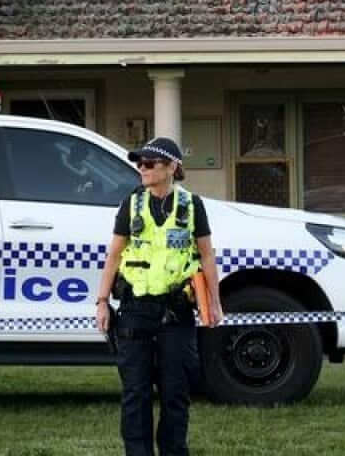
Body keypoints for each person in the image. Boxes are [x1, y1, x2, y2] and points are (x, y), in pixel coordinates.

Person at [95, 137, 223, 456]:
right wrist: (102, 302)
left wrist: (215, 302)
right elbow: (114, 255)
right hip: (135, 309)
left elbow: (207, 256)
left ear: (172, 167)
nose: (142, 168)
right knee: (135, 394)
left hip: (176, 311)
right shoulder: (131, 204)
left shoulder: (192, 205)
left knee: (175, 393)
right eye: (140, 163)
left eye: (149, 163)